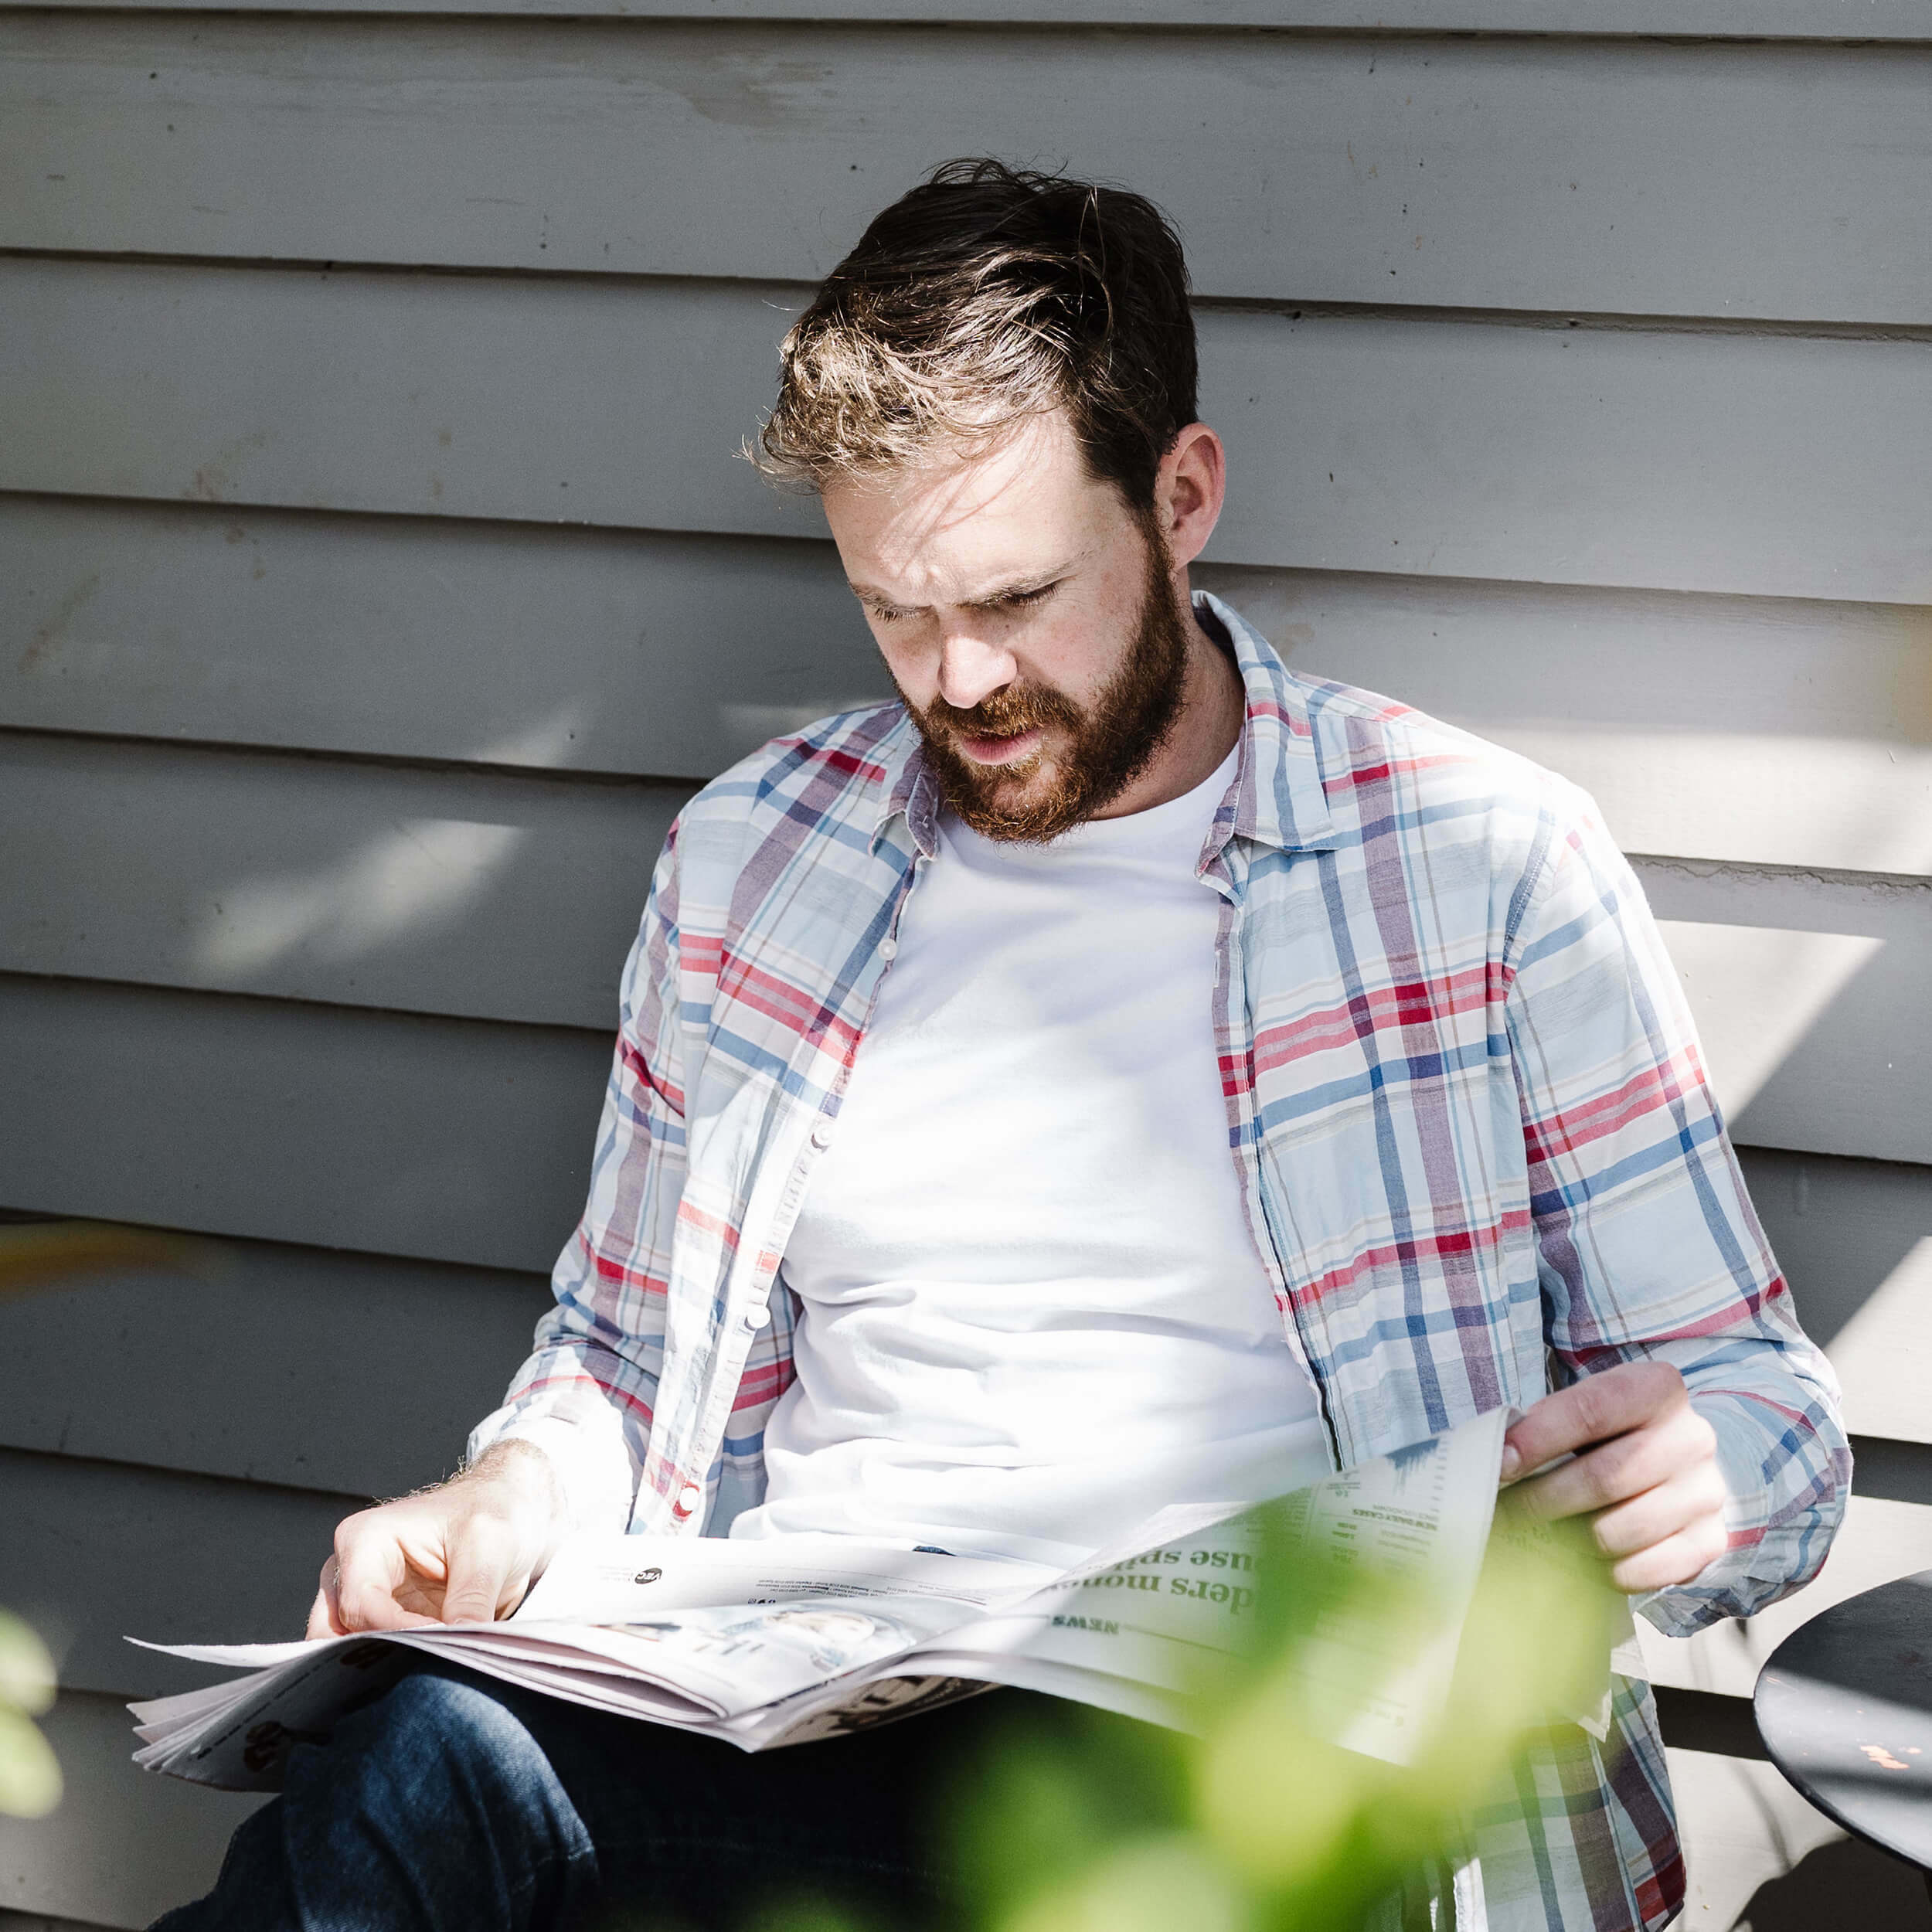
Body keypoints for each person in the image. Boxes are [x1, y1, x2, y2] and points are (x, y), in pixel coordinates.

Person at [154, 158, 1848, 1932]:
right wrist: (508, 1486)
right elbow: (623, 1358)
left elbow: (1759, 1400)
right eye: (896, 609)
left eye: (1017, 597)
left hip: (1276, 1790)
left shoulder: (1479, 862)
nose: (958, 680)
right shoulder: (752, 860)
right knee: (430, 1760)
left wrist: (1705, 1469)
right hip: (811, 1716)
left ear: (1179, 496)